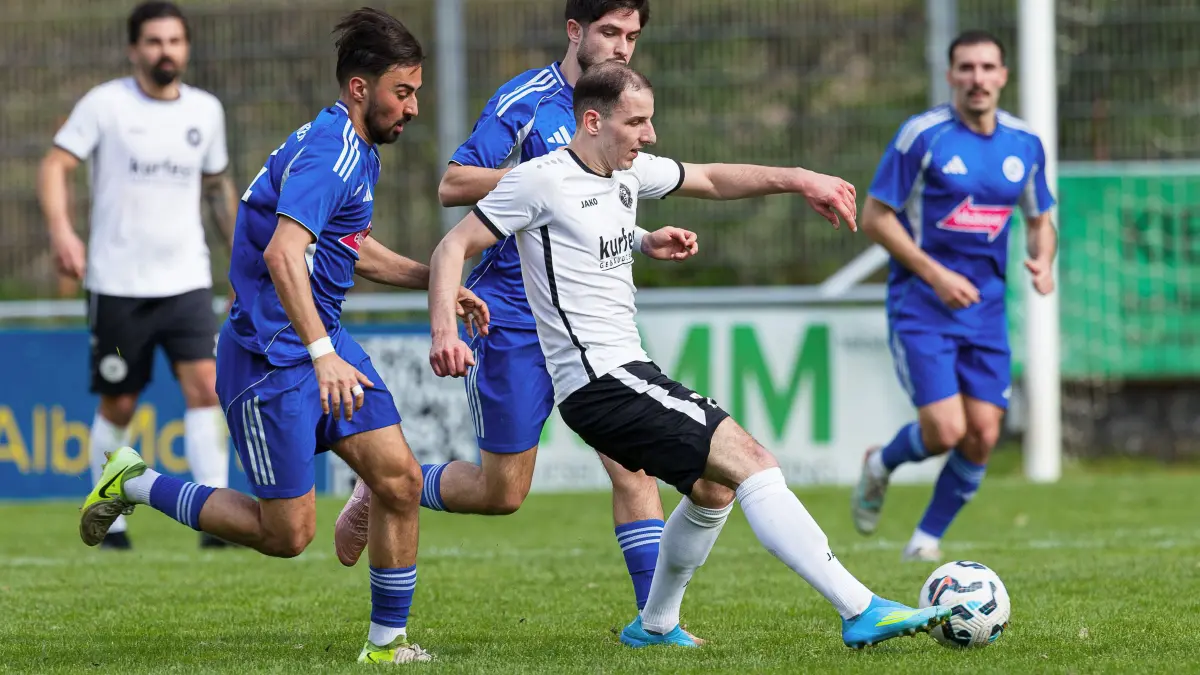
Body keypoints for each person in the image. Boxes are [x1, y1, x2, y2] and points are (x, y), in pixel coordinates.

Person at [425, 61, 951, 650]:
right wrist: (444, 328)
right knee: (753, 459)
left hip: (626, 372)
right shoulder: (539, 180)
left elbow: (714, 178)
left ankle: (654, 626)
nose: (649, 135)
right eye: (638, 122)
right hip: (600, 381)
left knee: (713, 489)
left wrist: (799, 179)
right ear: (593, 121)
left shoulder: (624, 172)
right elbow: (453, 246)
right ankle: (861, 608)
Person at [78, 8, 486, 664]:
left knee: (401, 481)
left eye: (415, 93)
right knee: (287, 533)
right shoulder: (333, 151)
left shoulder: (353, 149)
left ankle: (386, 646)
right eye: (402, 92)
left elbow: (347, 248)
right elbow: (282, 254)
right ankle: (135, 480)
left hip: (318, 344)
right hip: (273, 357)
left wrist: (435, 283)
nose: (412, 108)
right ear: (360, 88)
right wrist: (322, 354)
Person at [334, 0, 676, 623]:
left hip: (590, 322)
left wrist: (644, 238)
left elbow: (603, 204)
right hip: (514, 317)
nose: (624, 45)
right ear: (575, 31)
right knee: (503, 493)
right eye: (610, 31)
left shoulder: (624, 107)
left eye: (632, 34)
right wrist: (550, 178)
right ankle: (379, 486)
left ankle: (657, 625)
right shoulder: (526, 99)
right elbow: (453, 183)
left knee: (635, 467)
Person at [38, 0, 239, 550]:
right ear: (134, 49)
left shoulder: (205, 111)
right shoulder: (105, 105)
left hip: (187, 281)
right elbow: (56, 164)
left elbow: (218, 189)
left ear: (186, 48)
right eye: (153, 41)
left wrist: (244, 259)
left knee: (205, 388)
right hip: (118, 282)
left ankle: (214, 517)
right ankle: (112, 519)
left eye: (174, 41)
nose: (165, 50)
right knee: (120, 403)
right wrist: (62, 231)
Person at [850, 30, 1057, 561]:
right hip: (922, 306)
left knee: (983, 435)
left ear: (1003, 76)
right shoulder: (922, 136)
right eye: (966, 68)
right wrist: (934, 273)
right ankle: (882, 462)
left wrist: (1043, 259)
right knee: (945, 431)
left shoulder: (1025, 143)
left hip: (985, 311)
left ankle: (925, 541)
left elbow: (1040, 218)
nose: (977, 79)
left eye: (988, 68)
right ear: (950, 76)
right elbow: (875, 217)